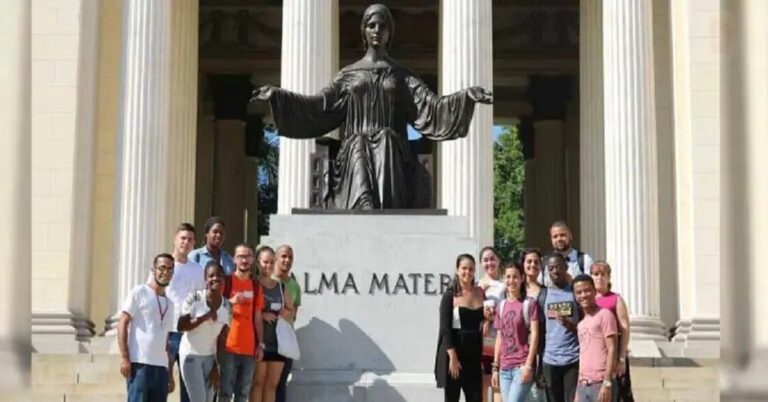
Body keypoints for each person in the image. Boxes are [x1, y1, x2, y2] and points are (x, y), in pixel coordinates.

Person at [251, 3, 493, 209]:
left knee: (385, 137)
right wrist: (278, 96)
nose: (377, 30)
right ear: (364, 31)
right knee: (357, 141)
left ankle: (383, 206)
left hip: (393, 151)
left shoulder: (401, 75)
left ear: (390, 32)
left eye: (382, 26)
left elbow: (431, 106)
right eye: (372, 25)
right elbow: (319, 105)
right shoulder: (348, 75)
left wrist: (466, 96)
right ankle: (363, 203)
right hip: (353, 151)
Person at [118, 254, 176, 402]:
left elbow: (167, 341)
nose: (166, 272)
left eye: (170, 269)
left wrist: (169, 373)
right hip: (140, 364)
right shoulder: (140, 292)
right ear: (153, 270)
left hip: (161, 368)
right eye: (162, 268)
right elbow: (123, 322)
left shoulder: (170, 304)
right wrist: (124, 357)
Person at [177, 261, 231, 402]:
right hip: (191, 355)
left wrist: (217, 366)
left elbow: (222, 339)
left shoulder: (227, 306)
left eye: (219, 275)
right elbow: (181, 326)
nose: (215, 278)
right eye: (211, 276)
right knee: (199, 399)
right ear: (205, 279)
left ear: (224, 279)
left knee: (209, 399)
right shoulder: (194, 298)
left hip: (210, 358)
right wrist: (205, 317)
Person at [435, 254, 485, 402]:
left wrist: (488, 318)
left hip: (474, 356)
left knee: (475, 397)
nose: (467, 272)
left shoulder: (480, 293)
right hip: (455, 355)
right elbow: (445, 329)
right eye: (464, 268)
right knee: (452, 398)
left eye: (471, 269)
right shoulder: (450, 295)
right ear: (457, 270)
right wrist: (453, 357)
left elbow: (484, 320)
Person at [219, 244, 264, 402]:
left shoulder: (256, 286)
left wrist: (260, 344)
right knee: (225, 393)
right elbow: (215, 308)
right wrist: (231, 301)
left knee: (243, 394)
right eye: (241, 256)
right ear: (234, 259)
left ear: (252, 259)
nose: (244, 260)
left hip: (249, 348)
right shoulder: (226, 282)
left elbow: (258, 317)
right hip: (228, 346)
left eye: (248, 256)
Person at [165, 223, 205, 402]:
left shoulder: (198, 270)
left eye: (190, 239)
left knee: (188, 386)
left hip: (189, 334)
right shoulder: (164, 265)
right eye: (183, 238)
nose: (186, 242)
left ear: (194, 243)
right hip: (166, 332)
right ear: (175, 239)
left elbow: (201, 300)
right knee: (162, 383)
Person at [490, 261, 540, 402]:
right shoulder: (501, 306)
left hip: (522, 365)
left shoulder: (529, 303)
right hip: (504, 369)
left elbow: (535, 335)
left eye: (515, 277)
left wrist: (528, 365)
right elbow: (499, 338)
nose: (511, 281)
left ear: (522, 278)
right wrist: (495, 368)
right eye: (508, 277)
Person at [251, 246, 295, 402]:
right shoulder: (253, 285)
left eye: (271, 262)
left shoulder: (281, 287)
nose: (268, 265)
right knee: (257, 383)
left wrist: (283, 314)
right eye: (265, 262)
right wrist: (262, 315)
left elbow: (291, 311)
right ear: (258, 263)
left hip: (278, 344)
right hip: (258, 343)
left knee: (272, 385)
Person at [541, 254, 581, 402]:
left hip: (572, 359)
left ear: (566, 267)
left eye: (558, 267)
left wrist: (570, 325)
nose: (555, 271)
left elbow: (586, 327)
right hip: (549, 360)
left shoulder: (575, 293)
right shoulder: (543, 295)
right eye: (551, 268)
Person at [572, 274, 618, 402]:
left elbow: (612, 348)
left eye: (587, 290)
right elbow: (583, 355)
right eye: (579, 292)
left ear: (594, 291)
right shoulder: (581, 324)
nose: (583, 295)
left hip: (601, 383)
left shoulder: (605, 315)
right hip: (583, 385)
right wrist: (578, 390)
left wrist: (607, 382)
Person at [591, 261, 632, 400]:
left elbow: (624, 328)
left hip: (613, 355)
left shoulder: (616, 299)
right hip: (594, 356)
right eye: (596, 274)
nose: (599, 277)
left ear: (608, 277)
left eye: (603, 274)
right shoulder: (587, 300)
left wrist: (621, 358)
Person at [274, 245, 301, 402]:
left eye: (290, 257)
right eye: (283, 256)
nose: (287, 260)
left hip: (285, 342)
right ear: (276, 258)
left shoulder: (295, 286)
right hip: (268, 341)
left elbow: (293, 315)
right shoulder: (267, 281)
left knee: (281, 385)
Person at [520, 248, 547, 402]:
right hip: (518, 350)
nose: (533, 265)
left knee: (537, 394)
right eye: (529, 261)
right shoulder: (514, 289)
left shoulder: (546, 291)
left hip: (540, 349)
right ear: (523, 264)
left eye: (536, 262)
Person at [478, 247, 504, 402]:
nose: (489, 263)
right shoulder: (476, 285)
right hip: (480, 341)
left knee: (497, 383)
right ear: (481, 263)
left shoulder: (504, 285)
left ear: (498, 260)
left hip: (499, 341)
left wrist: (493, 318)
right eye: (486, 260)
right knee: (482, 384)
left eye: (492, 259)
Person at [542, 221, 594, 286]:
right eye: (555, 236)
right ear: (551, 240)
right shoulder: (543, 261)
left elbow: (590, 286)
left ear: (570, 236)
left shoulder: (584, 260)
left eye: (562, 235)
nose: (559, 239)